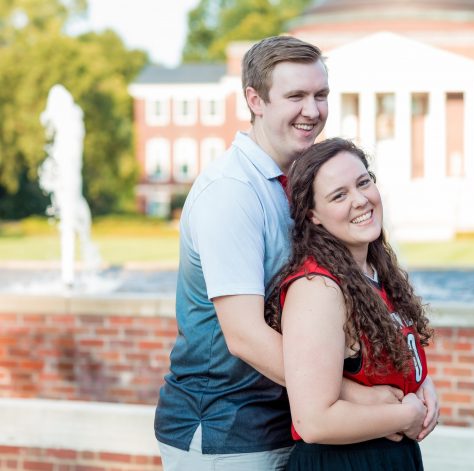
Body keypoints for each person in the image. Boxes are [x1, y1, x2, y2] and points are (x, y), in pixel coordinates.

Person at [154, 36, 438, 470]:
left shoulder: (304, 183)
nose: (313, 110)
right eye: (296, 96)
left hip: (294, 422)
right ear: (255, 100)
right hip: (228, 430)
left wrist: (410, 379)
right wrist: (364, 399)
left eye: (320, 94)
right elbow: (245, 335)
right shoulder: (231, 193)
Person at [264, 138, 433, 470]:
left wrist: (422, 385)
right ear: (313, 215)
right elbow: (314, 420)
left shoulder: (373, 272)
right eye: (339, 195)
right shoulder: (318, 288)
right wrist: (404, 415)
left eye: (363, 183)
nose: (360, 200)